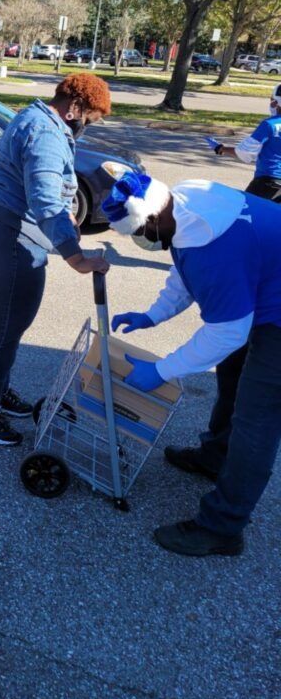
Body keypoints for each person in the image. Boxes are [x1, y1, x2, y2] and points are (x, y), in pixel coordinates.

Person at [102, 171, 281, 557]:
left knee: (257, 418)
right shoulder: (184, 205)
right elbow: (182, 270)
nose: (140, 243)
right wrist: (154, 314)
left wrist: (162, 370)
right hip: (268, 287)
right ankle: (216, 457)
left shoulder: (217, 250)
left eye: (139, 234)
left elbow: (227, 332)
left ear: (152, 219)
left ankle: (223, 527)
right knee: (233, 373)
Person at [0, 74, 112, 447]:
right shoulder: (45, 133)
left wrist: (67, 215)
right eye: (89, 118)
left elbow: (43, 188)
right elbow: (43, 199)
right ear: (75, 107)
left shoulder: (39, 118)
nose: (87, 126)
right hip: (3, 235)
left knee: (11, 326)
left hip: (1, 229)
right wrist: (75, 257)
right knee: (1, 331)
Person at [209, 82, 281, 202]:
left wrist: (220, 148)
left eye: (272, 100)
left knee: (245, 215)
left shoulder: (269, 124)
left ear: (276, 102)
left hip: (268, 181)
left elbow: (244, 153)